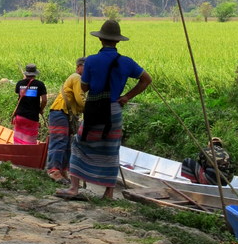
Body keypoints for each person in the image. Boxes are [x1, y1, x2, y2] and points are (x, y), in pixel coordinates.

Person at [56, 19, 151, 201]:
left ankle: (74, 187)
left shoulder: (91, 60)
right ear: (117, 41)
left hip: (94, 109)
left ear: (101, 40)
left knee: (79, 144)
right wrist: (127, 97)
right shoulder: (127, 62)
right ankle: (108, 193)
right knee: (111, 149)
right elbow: (147, 79)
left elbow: (84, 88)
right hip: (114, 109)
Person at [46, 57, 86, 183]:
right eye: (86, 67)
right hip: (60, 112)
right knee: (59, 142)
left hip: (66, 114)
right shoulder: (76, 77)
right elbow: (81, 100)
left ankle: (63, 170)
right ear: (79, 67)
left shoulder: (80, 79)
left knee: (67, 144)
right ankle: (53, 170)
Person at [12, 64, 47, 145]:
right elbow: (44, 100)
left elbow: (19, 92)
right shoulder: (40, 84)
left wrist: (24, 83)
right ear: (35, 74)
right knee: (30, 141)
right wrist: (41, 109)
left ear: (26, 73)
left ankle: (17, 154)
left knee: (18, 139)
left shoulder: (19, 83)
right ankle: (29, 154)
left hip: (20, 116)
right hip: (32, 117)